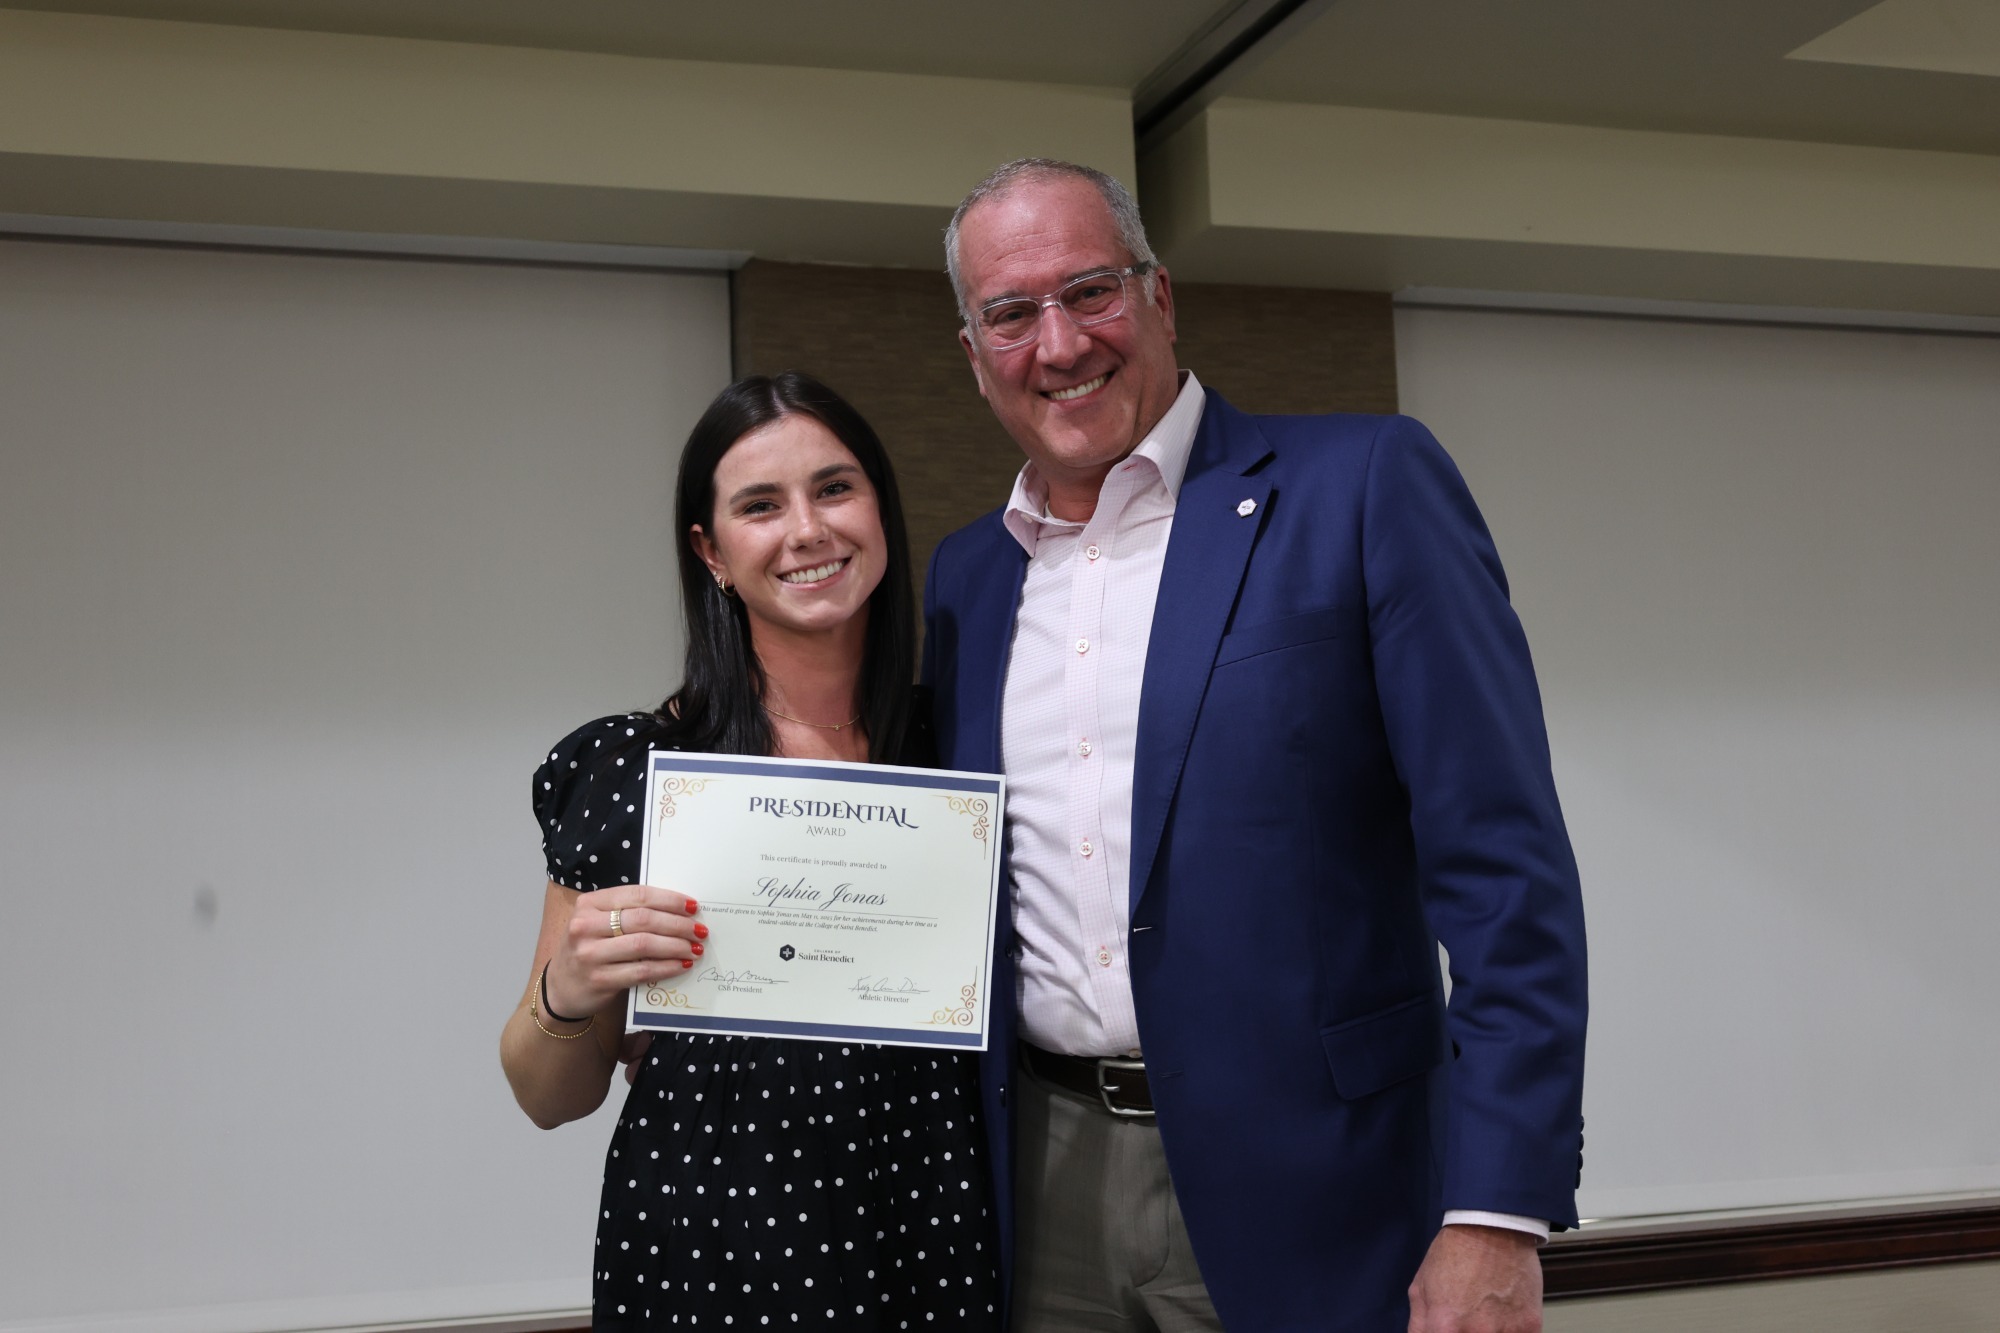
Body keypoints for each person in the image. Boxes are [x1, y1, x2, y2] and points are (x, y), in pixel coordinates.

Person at [921, 160, 1588, 1332]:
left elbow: (1503, 870)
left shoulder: (1361, 485)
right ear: (973, 351)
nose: (1060, 342)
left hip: (1324, 1184)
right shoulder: (966, 579)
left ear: (1160, 295)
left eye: (1089, 291)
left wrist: (1495, 1208)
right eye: (1011, 313)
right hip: (1041, 1184)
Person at [499, 372, 1003, 1332]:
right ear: (712, 550)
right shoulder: (635, 769)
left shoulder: (965, 750)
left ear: (882, 514)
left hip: (936, 1239)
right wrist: (571, 984)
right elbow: (545, 1094)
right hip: (710, 1253)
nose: (807, 529)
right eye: (760, 505)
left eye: (836, 488)